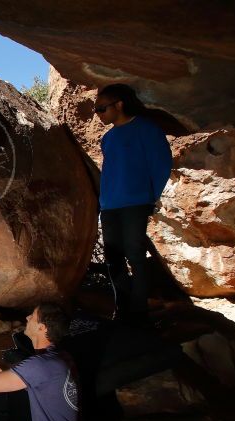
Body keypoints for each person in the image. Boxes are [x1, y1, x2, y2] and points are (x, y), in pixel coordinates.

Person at [94, 84, 173, 324]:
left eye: (102, 108)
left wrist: (150, 197)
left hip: (135, 203)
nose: (98, 114)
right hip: (109, 207)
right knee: (113, 258)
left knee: (135, 255)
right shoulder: (107, 139)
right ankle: (123, 308)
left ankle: (139, 312)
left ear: (119, 104)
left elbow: (161, 165)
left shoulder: (146, 129)